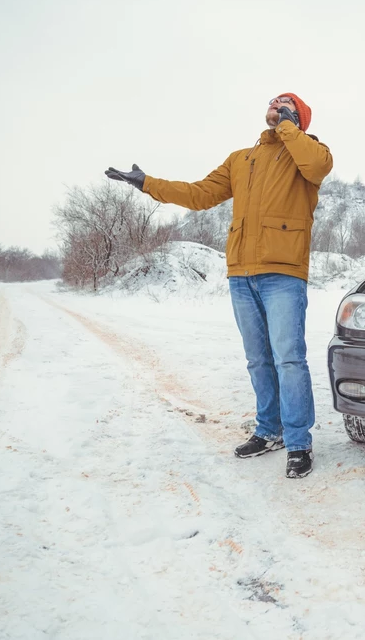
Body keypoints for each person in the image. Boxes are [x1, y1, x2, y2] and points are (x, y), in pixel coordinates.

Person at [105, 93, 333, 478]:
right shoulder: (241, 159)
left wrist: (289, 127)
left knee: (289, 359)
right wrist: (147, 184)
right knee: (258, 360)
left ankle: (298, 442)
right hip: (241, 273)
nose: (274, 104)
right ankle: (268, 431)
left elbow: (317, 165)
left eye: (285, 103)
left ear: (298, 116)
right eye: (274, 101)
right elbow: (199, 194)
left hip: (284, 273)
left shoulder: (309, 153)